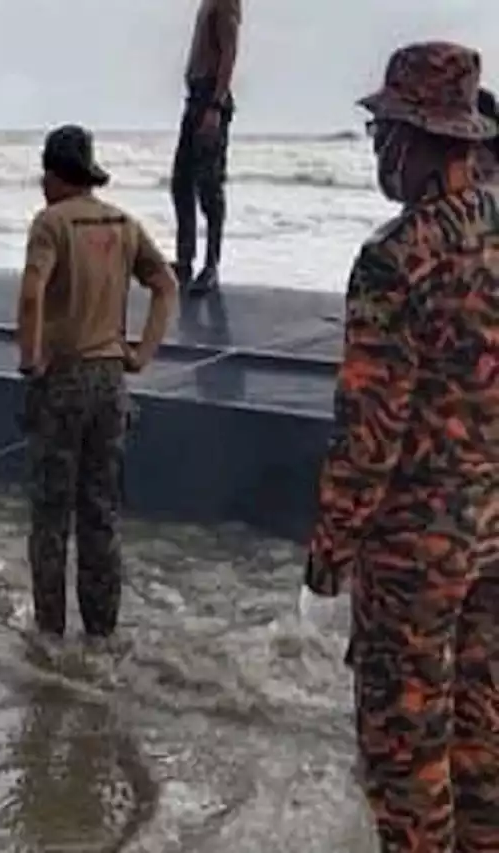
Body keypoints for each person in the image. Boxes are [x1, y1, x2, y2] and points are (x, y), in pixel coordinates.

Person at [303, 42, 499, 853]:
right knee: (482, 741)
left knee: (405, 756)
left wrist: (331, 543)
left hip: (415, 552)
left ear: (418, 137)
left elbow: (372, 432)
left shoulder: (397, 257)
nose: (379, 150)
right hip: (494, 532)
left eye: (384, 133)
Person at [17, 125, 177, 641]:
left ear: (54, 172)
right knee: (101, 512)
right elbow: (165, 285)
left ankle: (49, 633)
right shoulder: (124, 223)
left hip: (63, 376)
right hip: (112, 381)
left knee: (50, 515)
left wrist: (29, 357)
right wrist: (143, 352)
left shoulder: (50, 224)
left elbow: (31, 293)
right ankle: (101, 631)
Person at [170, 0, 241, 296]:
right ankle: (184, 260)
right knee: (181, 183)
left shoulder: (225, 3)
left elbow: (229, 53)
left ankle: (211, 265)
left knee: (209, 187)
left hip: (210, 99)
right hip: (196, 97)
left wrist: (215, 103)